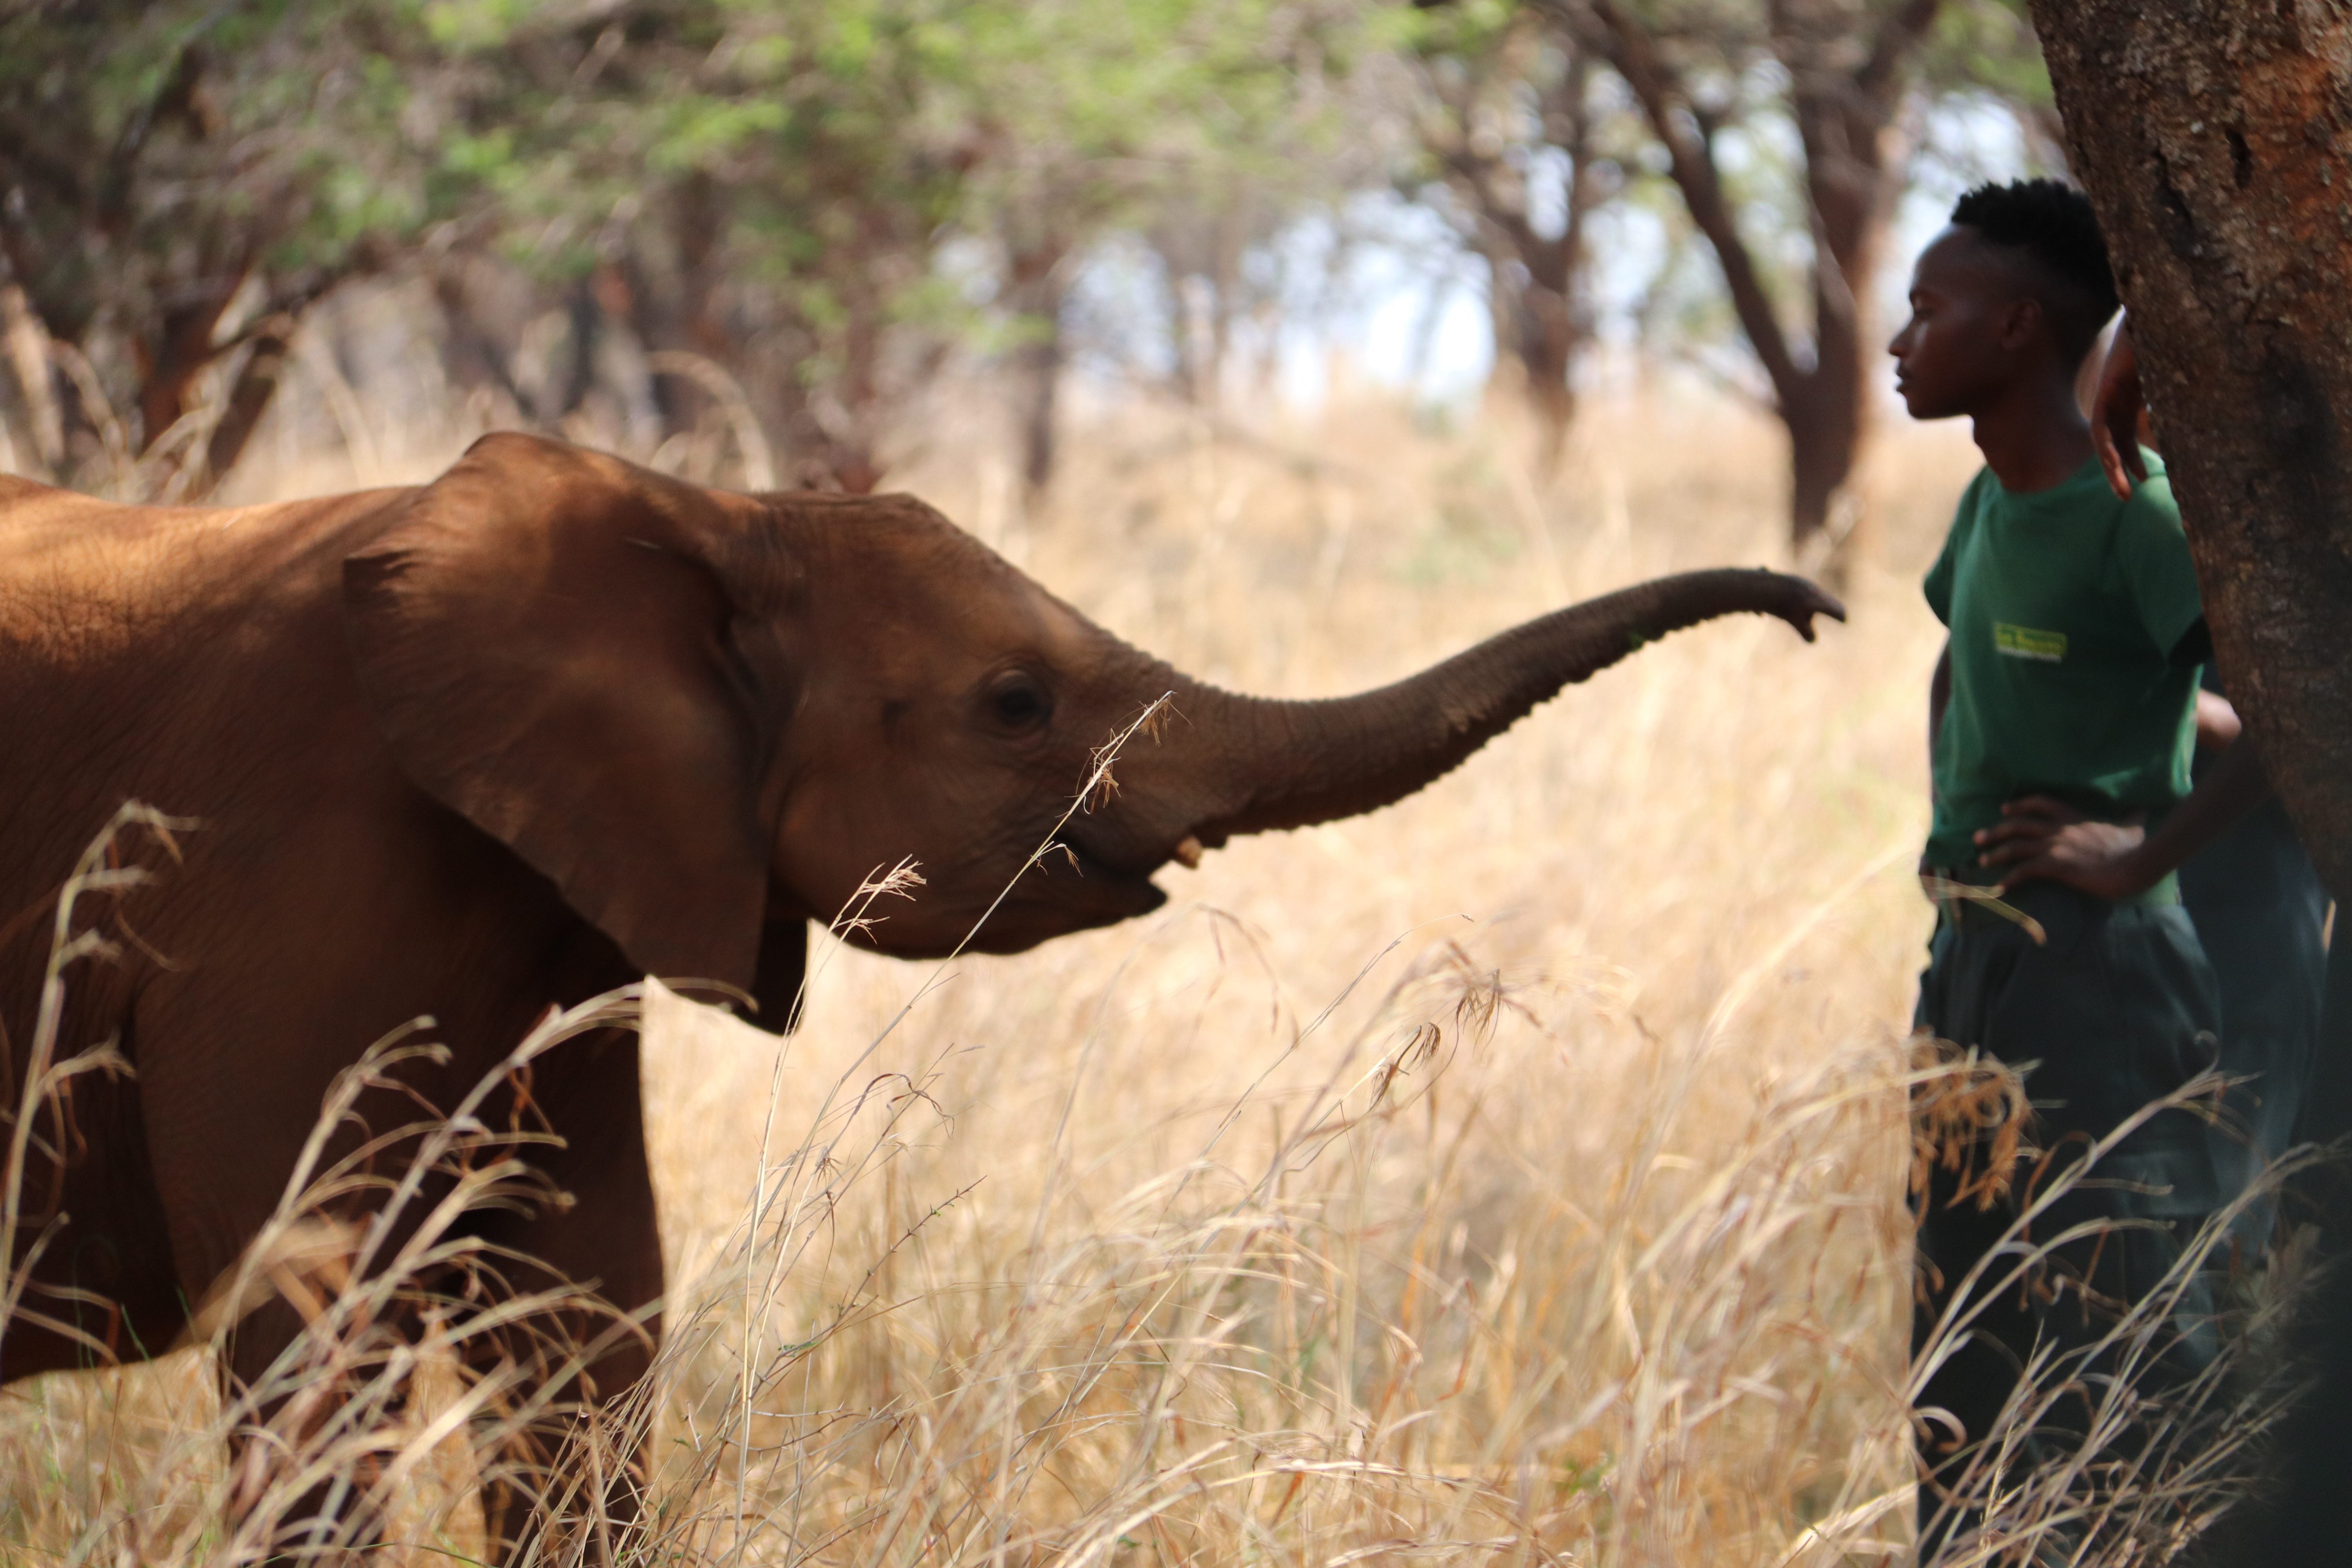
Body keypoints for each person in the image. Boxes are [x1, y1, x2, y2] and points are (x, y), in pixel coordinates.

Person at [1888, 180, 2230, 1559]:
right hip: (1970, 961)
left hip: (2103, 975)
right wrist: (1953, 828)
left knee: (2119, 1328)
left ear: (2019, 327)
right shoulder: (1988, 502)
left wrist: (2141, 851)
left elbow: (2290, 715)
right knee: (1960, 1336)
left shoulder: (2135, 514)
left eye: (1928, 310)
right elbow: (1958, 655)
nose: (1900, 342)